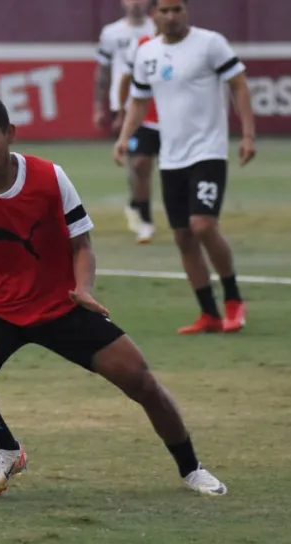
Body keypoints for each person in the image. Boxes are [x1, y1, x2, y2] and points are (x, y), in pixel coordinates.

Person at [0, 93, 228, 499]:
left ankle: (191, 468)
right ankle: (7, 449)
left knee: (141, 380)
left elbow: (82, 244)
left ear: (9, 133)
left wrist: (83, 288)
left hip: (61, 305)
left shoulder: (50, 177)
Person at [114, 0, 256, 334]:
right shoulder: (147, 53)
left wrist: (248, 135)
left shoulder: (210, 43)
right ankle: (209, 314)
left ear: (186, 11)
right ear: (154, 15)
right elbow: (139, 100)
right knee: (182, 236)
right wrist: (124, 137)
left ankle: (233, 300)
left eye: (177, 9)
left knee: (203, 225)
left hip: (208, 152)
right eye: (164, 10)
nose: (171, 16)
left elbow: (238, 83)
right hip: (172, 156)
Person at [94, 0, 157, 240]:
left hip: (159, 104)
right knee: (138, 162)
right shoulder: (111, 33)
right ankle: (143, 213)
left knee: (155, 164)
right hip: (127, 105)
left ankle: (137, 203)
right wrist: (100, 107)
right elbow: (103, 71)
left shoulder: (157, 27)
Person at [118, 3, 164, 244]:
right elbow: (125, 78)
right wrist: (122, 110)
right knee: (140, 164)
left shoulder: (195, 45)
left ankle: (188, 216)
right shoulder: (142, 45)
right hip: (146, 119)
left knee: (177, 171)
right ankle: (145, 221)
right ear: (153, 14)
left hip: (177, 121)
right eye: (162, 10)